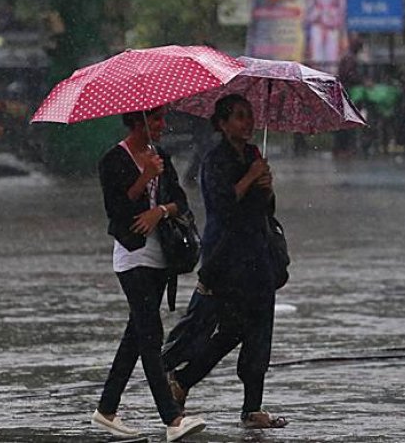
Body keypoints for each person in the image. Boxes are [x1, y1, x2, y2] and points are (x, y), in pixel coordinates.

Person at [166, 94, 288, 429]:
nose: (247, 123)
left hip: (259, 257)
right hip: (227, 258)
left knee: (260, 331)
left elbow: (264, 209)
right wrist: (250, 177)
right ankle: (182, 378)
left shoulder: (253, 155)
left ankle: (252, 408)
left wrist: (267, 185)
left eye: (249, 116)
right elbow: (222, 206)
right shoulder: (214, 160)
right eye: (238, 116)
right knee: (231, 328)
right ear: (221, 123)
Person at [93, 106, 206, 442]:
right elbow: (116, 210)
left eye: (161, 118)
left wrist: (159, 210)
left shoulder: (161, 156)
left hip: (161, 257)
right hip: (132, 256)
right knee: (150, 335)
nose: (162, 125)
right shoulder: (113, 160)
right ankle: (172, 419)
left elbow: (180, 202)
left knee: (135, 337)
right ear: (136, 121)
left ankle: (106, 409)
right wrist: (143, 177)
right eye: (155, 119)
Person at [333, 35, 363, 156]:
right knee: (347, 121)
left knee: (343, 121)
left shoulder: (347, 56)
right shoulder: (350, 58)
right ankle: (343, 148)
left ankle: (340, 148)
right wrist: (361, 81)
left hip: (343, 91)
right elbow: (349, 75)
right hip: (347, 92)